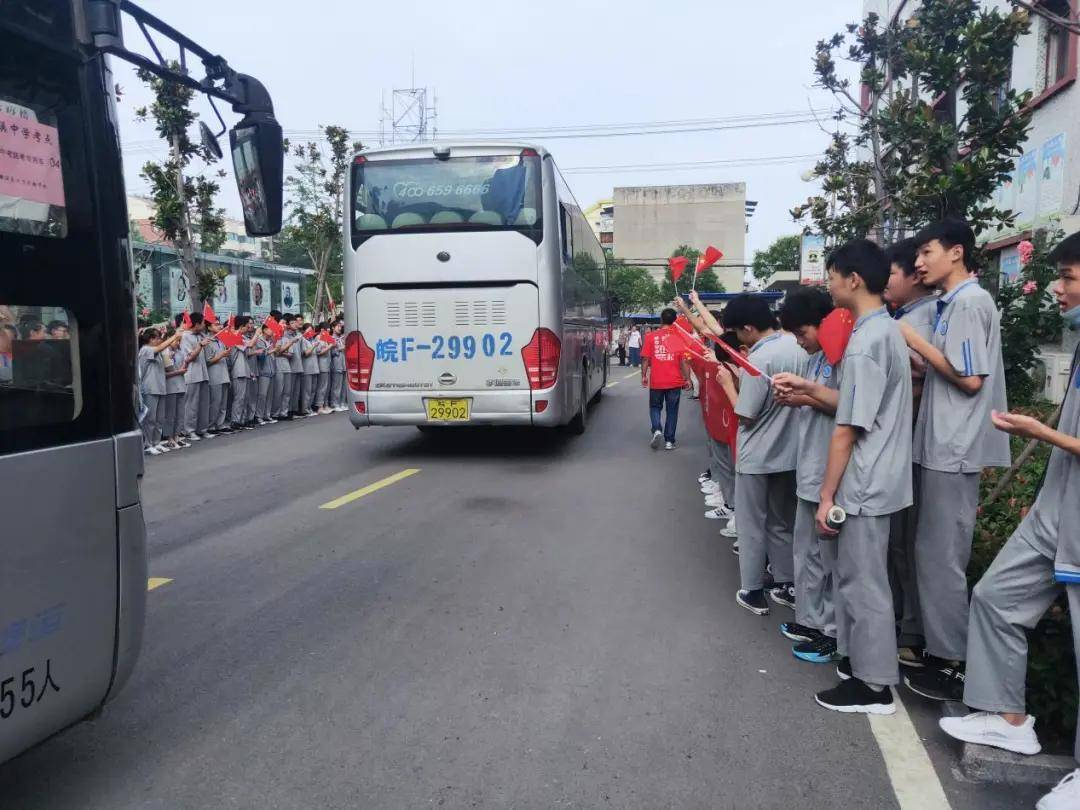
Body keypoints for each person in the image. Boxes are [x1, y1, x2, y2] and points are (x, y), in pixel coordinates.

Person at [937, 231, 1080, 810]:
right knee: (995, 597)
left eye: (1070, 277)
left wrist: (1042, 433)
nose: (1059, 287)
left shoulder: (970, 305)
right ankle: (1008, 716)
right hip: (1057, 506)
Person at [898, 219, 1011, 702]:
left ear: (957, 252)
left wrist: (914, 340)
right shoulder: (953, 304)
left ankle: (953, 663)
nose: (919, 263)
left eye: (927, 252)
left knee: (942, 557)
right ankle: (937, 649)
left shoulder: (968, 303)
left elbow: (969, 379)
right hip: (940, 444)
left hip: (953, 449)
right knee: (930, 552)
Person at [813, 238, 913, 716]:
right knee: (865, 578)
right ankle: (862, 667)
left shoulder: (866, 342)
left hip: (866, 482)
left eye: (832, 275)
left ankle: (874, 686)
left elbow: (847, 430)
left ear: (853, 280)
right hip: (884, 477)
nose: (827, 284)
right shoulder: (886, 331)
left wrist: (826, 494)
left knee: (863, 582)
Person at [710, 294, 806, 616]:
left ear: (749, 328)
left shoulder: (758, 359)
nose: (737, 339)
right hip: (790, 453)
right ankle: (786, 582)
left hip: (757, 456)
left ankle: (752, 590)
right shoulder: (797, 348)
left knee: (752, 525)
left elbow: (746, 413)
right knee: (782, 522)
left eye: (737, 332)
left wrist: (727, 383)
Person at [770, 286, 841, 663]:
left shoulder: (841, 355)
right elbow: (819, 399)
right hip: (809, 465)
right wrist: (798, 397)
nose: (800, 342)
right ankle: (812, 620)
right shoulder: (815, 358)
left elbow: (850, 407)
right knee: (807, 552)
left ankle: (832, 631)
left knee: (829, 559)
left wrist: (808, 392)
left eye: (802, 334)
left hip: (827, 469)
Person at [884, 237, 936, 667]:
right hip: (903, 446)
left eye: (891, 274)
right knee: (898, 544)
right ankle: (903, 622)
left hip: (916, 447)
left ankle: (915, 632)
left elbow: (918, 383)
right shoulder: (901, 317)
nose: (886, 282)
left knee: (912, 543)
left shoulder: (923, 320)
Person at [639, 308, 692, 451]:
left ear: (661, 320)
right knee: (672, 411)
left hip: (657, 381)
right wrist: (688, 379)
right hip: (675, 381)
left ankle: (656, 429)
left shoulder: (651, 337)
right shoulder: (677, 337)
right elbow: (683, 362)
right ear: (675, 321)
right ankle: (669, 441)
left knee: (655, 407)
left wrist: (644, 376)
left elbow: (645, 359)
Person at [137, 327, 180, 455]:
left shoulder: (157, 352)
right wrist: (174, 336)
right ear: (151, 339)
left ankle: (156, 442)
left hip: (160, 388)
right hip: (149, 389)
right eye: (158, 338)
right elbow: (159, 348)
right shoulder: (145, 350)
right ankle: (147, 444)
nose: (160, 340)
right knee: (150, 419)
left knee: (159, 419)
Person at [180, 312, 213, 440]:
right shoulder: (186, 336)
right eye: (203, 323)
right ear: (197, 324)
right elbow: (189, 358)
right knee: (191, 404)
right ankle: (189, 430)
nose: (205, 325)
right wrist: (200, 345)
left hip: (203, 373)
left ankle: (202, 429)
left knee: (204, 403)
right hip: (192, 374)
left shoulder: (201, 335)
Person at [205, 317, 232, 433]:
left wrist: (225, 354)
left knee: (223, 403)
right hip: (214, 375)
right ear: (209, 327)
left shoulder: (220, 340)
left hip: (224, 374)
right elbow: (208, 361)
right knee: (215, 402)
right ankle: (211, 425)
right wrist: (221, 355)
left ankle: (220, 424)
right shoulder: (207, 341)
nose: (220, 326)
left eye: (219, 324)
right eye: (216, 325)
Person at [300, 323, 319, 415]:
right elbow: (306, 353)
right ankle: (305, 409)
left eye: (312, 330)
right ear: (304, 331)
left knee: (313, 390)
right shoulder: (303, 340)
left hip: (315, 368)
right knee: (307, 390)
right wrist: (314, 346)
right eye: (308, 330)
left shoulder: (312, 340)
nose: (310, 332)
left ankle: (309, 407)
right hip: (307, 368)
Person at [329, 320, 347, 412]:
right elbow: (331, 352)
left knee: (344, 385)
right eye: (338, 326)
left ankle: (342, 403)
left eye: (340, 327)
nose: (340, 328)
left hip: (344, 363)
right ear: (333, 327)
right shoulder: (331, 338)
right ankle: (334, 403)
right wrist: (340, 348)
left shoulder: (341, 338)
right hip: (336, 363)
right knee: (336, 385)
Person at [316, 323, 333, 414]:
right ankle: (320, 406)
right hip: (322, 365)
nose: (328, 332)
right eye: (327, 330)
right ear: (322, 330)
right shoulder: (319, 338)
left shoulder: (327, 338)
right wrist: (330, 346)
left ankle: (325, 405)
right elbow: (319, 352)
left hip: (327, 364)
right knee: (322, 386)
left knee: (326, 386)